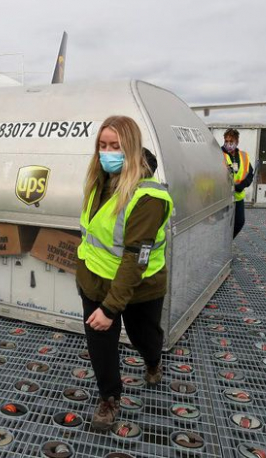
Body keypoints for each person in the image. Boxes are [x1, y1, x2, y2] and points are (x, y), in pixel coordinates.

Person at [76, 115, 174, 432]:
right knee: (100, 347)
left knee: (143, 337)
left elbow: (136, 258)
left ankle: (153, 362)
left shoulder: (149, 197)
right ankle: (109, 398)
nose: (107, 152)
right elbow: (93, 235)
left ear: (131, 149)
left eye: (115, 146)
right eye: (102, 145)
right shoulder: (99, 183)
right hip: (95, 282)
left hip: (139, 288)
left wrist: (110, 308)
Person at [222, 128, 253, 238]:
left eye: (231, 142)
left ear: (237, 142)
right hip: (223, 197)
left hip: (238, 196)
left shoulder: (243, 156)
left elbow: (250, 174)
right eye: (226, 141)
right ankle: (221, 243)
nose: (228, 144)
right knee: (221, 224)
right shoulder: (219, 154)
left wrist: (241, 186)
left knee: (239, 222)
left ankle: (228, 241)